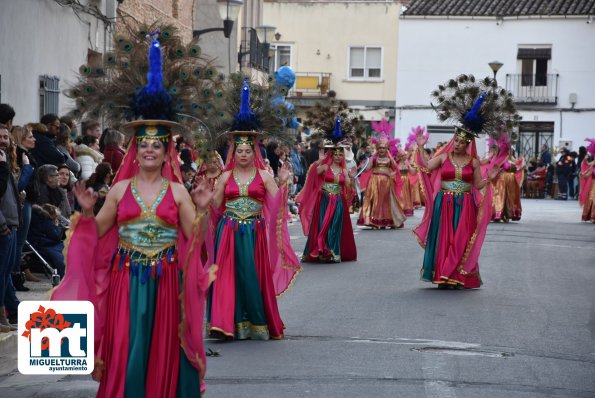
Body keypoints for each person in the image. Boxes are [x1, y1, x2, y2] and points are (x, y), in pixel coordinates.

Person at [51, 32, 217, 396]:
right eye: (144, 144)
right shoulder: (120, 191)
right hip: (126, 282)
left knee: (163, 346)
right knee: (128, 346)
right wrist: (88, 210)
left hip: (167, 281)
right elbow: (95, 234)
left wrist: (202, 209)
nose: (150, 150)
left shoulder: (178, 192)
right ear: (134, 149)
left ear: (167, 150)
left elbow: (194, 239)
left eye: (158, 144)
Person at [205, 82, 301, 341]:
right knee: (226, 276)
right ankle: (223, 323)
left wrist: (282, 182)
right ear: (233, 152)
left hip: (254, 233)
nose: (244, 154)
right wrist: (210, 185)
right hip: (228, 231)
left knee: (250, 277)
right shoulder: (226, 176)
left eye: (248, 150)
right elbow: (214, 205)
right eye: (240, 151)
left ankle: (253, 323)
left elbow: (277, 202)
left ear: (254, 151)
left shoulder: (263, 175)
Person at [297, 117, 357, 263]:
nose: (337, 156)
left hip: (337, 201)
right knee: (322, 226)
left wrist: (352, 178)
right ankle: (319, 249)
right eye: (335, 154)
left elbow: (349, 187)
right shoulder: (324, 167)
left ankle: (332, 251)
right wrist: (320, 160)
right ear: (331, 154)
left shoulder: (344, 170)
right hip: (323, 200)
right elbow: (312, 175)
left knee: (335, 226)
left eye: (340, 154)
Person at [357, 124, 405, 229]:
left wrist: (392, 174)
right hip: (374, 181)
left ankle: (387, 220)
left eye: (384, 148)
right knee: (375, 200)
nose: (382, 150)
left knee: (386, 201)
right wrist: (361, 166)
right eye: (380, 148)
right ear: (377, 149)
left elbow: (396, 169)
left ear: (387, 148)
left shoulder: (389, 159)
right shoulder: (374, 158)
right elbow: (367, 169)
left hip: (387, 183)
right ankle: (374, 220)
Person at [0, 125, 20, 332]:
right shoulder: (2, 163)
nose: (4, 140)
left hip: (11, 224)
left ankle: (7, 312)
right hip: (3, 226)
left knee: (6, 273)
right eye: (0, 137)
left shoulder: (6, 159)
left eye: (6, 137)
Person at [579, 139, 595, 222]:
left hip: (593, 183)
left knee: (592, 199)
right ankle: (591, 217)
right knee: (591, 199)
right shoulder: (593, 162)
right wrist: (585, 161)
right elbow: (589, 168)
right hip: (593, 183)